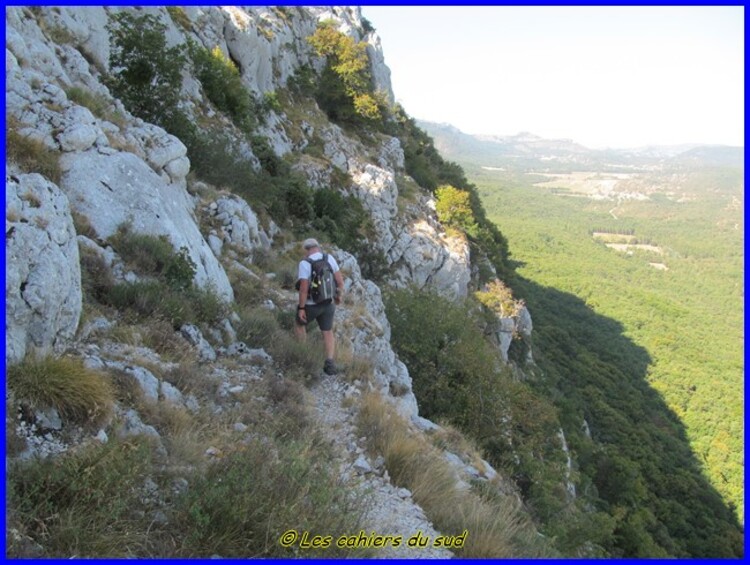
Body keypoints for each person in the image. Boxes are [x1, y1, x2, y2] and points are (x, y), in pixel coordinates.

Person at [295, 238, 345, 375]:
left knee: (300, 325)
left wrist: (301, 308)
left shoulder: (305, 263)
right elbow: (340, 282)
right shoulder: (329, 258)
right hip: (329, 303)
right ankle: (329, 363)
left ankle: (303, 356)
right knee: (327, 331)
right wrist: (338, 296)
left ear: (306, 250)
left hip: (312, 304)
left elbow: (304, 289)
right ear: (317, 247)